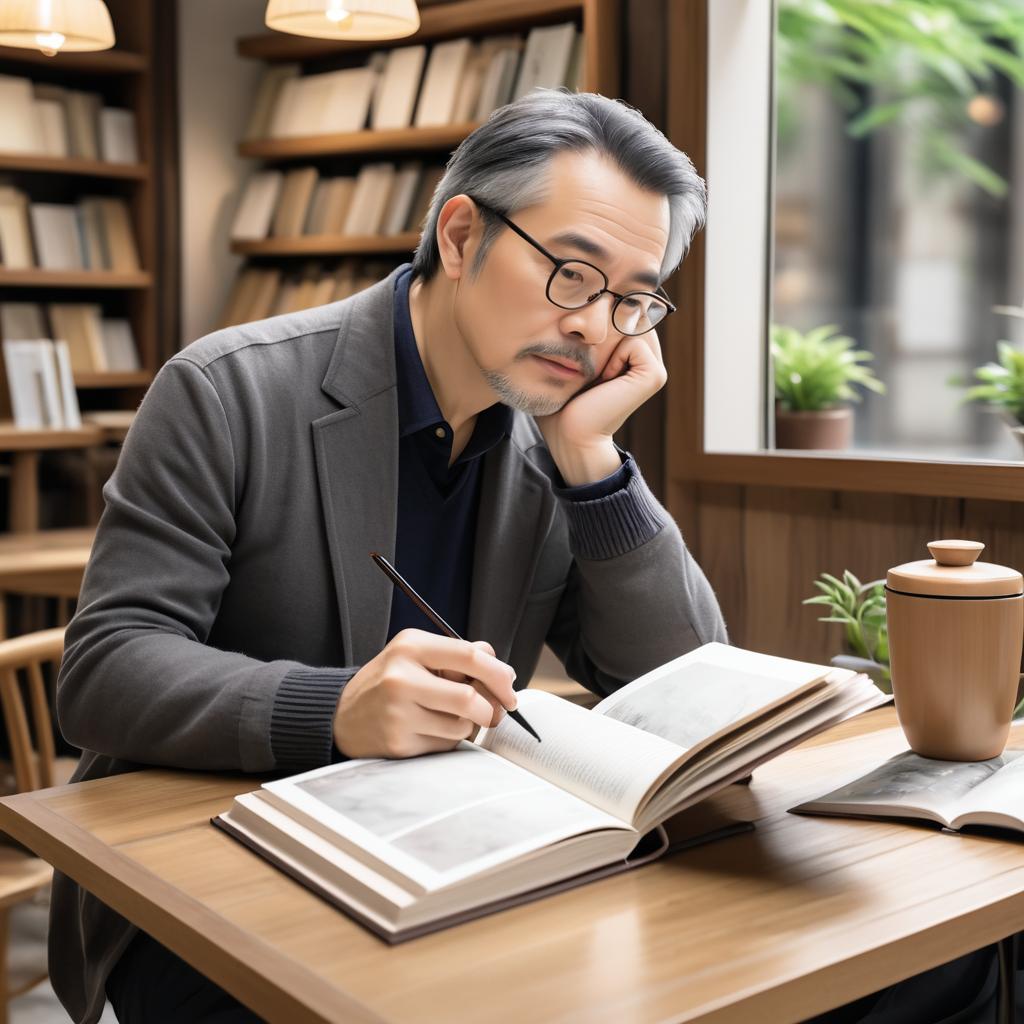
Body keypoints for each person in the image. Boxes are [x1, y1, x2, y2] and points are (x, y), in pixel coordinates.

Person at [48, 88, 727, 1023]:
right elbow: (105, 672)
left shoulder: (551, 438)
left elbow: (686, 693)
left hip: (448, 861)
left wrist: (593, 464)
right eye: (573, 273)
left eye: (632, 299)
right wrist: (332, 710)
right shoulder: (224, 390)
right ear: (459, 236)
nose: (595, 323)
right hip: (211, 874)